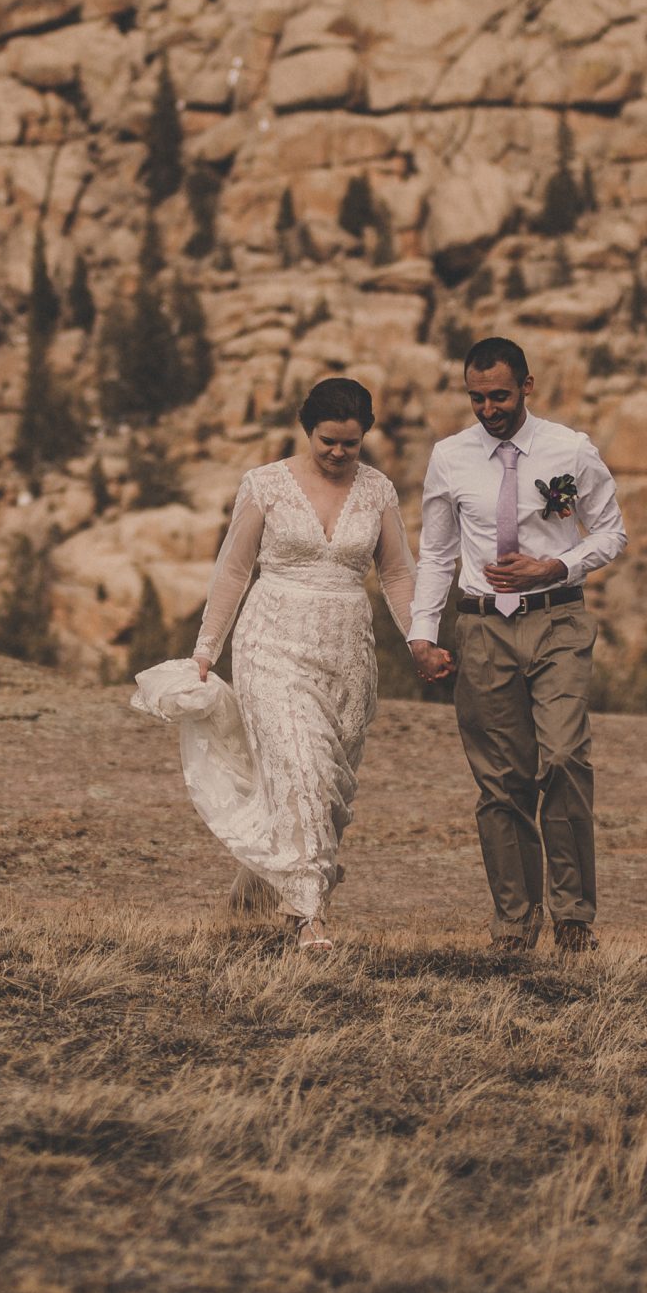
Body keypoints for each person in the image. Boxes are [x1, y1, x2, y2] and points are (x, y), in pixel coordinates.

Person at [408, 337, 628, 955]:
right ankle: (514, 924)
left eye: (499, 395)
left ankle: (574, 916)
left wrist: (555, 566)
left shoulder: (570, 450)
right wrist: (422, 636)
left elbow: (611, 533)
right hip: (482, 628)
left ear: (527, 385)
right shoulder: (450, 457)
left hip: (557, 621)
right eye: (476, 398)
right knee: (501, 780)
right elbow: (437, 553)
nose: (488, 408)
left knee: (561, 759)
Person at [183, 376, 415, 952]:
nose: (338, 453)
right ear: (307, 430)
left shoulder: (378, 490)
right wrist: (206, 648)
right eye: (328, 441)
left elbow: (397, 573)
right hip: (272, 642)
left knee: (329, 787)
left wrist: (421, 641)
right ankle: (309, 916)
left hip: (347, 650)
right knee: (299, 768)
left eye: (350, 444)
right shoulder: (264, 485)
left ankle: (251, 898)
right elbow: (234, 571)